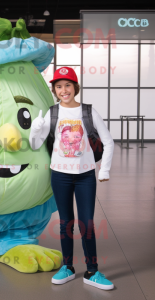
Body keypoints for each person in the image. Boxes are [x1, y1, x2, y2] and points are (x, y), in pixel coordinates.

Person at [29, 67, 115, 290]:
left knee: (87, 224)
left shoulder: (88, 111)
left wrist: (103, 170)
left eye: (68, 85)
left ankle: (92, 271)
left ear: (75, 87)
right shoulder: (52, 113)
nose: (63, 90)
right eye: (58, 86)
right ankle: (67, 267)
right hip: (60, 175)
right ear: (55, 90)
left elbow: (108, 141)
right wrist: (35, 129)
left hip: (86, 176)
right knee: (66, 224)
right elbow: (35, 144)